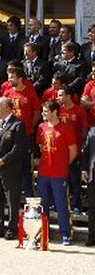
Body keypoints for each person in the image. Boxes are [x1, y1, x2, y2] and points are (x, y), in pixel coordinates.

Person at [36, 100, 77, 246]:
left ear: (54, 112)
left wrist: (64, 164)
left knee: (61, 204)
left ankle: (65, 234)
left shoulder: (66, 128)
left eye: (46, 111)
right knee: (43, 204)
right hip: (43, 173)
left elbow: (73, 151)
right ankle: (43, 232)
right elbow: (41, 147)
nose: (43, 114)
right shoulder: (41, 127)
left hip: (59, 173)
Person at [0, 97, 26, 240]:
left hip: (10, 169)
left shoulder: (18, 125)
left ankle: (12, 229)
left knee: (12, 200)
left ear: (7, 108)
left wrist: (3, 160)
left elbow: (17, 148)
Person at [3, 68, 41, 196]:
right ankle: (12, 194)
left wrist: (29, 127)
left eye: (12, 77)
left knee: (26, 166)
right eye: (9, 77)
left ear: (20, 79)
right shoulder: (7, 93)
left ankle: (29, 195)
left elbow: (36, 113)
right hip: (10, 136)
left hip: (25, 136)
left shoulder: (30, 92)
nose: (9, 79)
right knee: (10, 166)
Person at [57, 87, 88, 215]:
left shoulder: (79, 110)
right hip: (61, 152)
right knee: (61, 180)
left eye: (60, 95)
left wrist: (81, 145)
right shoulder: (58, 110)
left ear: (68, 96)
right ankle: (60, 204)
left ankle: (76, 206)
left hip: (75, 152)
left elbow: (84, 130)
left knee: (75, 180)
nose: (57, 98)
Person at [81, 126, 95, 246]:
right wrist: (84, 169)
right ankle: (92, 237)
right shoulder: (92, 131)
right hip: (93, 175)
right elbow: (86, 151)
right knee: (92, 208)